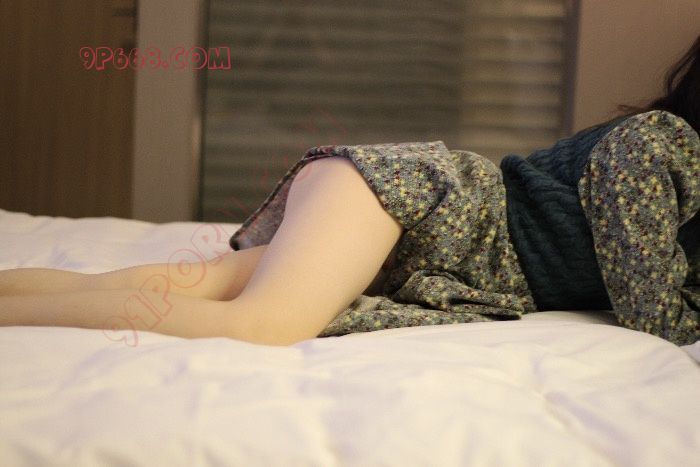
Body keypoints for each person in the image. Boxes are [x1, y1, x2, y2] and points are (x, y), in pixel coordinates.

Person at [1, 35, 698, 347]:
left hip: (421, 255)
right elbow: (653, 313)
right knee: (264, 325)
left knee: (205, 286)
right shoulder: (662, 143)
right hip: (414, 204)